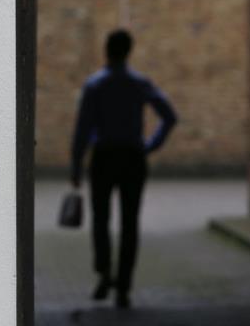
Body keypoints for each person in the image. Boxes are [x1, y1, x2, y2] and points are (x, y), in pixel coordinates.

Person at [70, 29, 177, 309]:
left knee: (100, 219)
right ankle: (124, 287)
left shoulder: (95, 85)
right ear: (129, 51)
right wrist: (150, 145)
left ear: (106, 49)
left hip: (104, 157)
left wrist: (75, 165)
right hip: (132, 157)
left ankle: (104, 273)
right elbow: (169, 116)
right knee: (130, 223)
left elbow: (82, 130)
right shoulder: (139, 83)